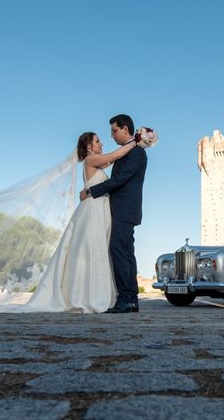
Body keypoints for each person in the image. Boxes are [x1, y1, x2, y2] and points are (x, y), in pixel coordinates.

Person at [24, 132, 136, 313]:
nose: (102, 143)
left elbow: (112, 161)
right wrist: (136, 142)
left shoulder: (98, 163)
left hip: (101, 209)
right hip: (93, 211)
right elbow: (115, 156)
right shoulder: (91, 160)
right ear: (89, 147)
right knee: (92, 248)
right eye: (98, 141)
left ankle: (100, 294)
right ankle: (88, 296)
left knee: (101, 248)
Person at [80, 114, 147, 314]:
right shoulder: (129, 151)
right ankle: (131, 299)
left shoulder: (136, 154)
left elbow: (119, 180)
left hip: (125, 210)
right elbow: (110, 162)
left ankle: (126, 299)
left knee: (118, 250)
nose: (112, 135)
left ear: (125, 129)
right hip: (122, 210)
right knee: (125, 252)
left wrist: (91, 191)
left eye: (114, 131)